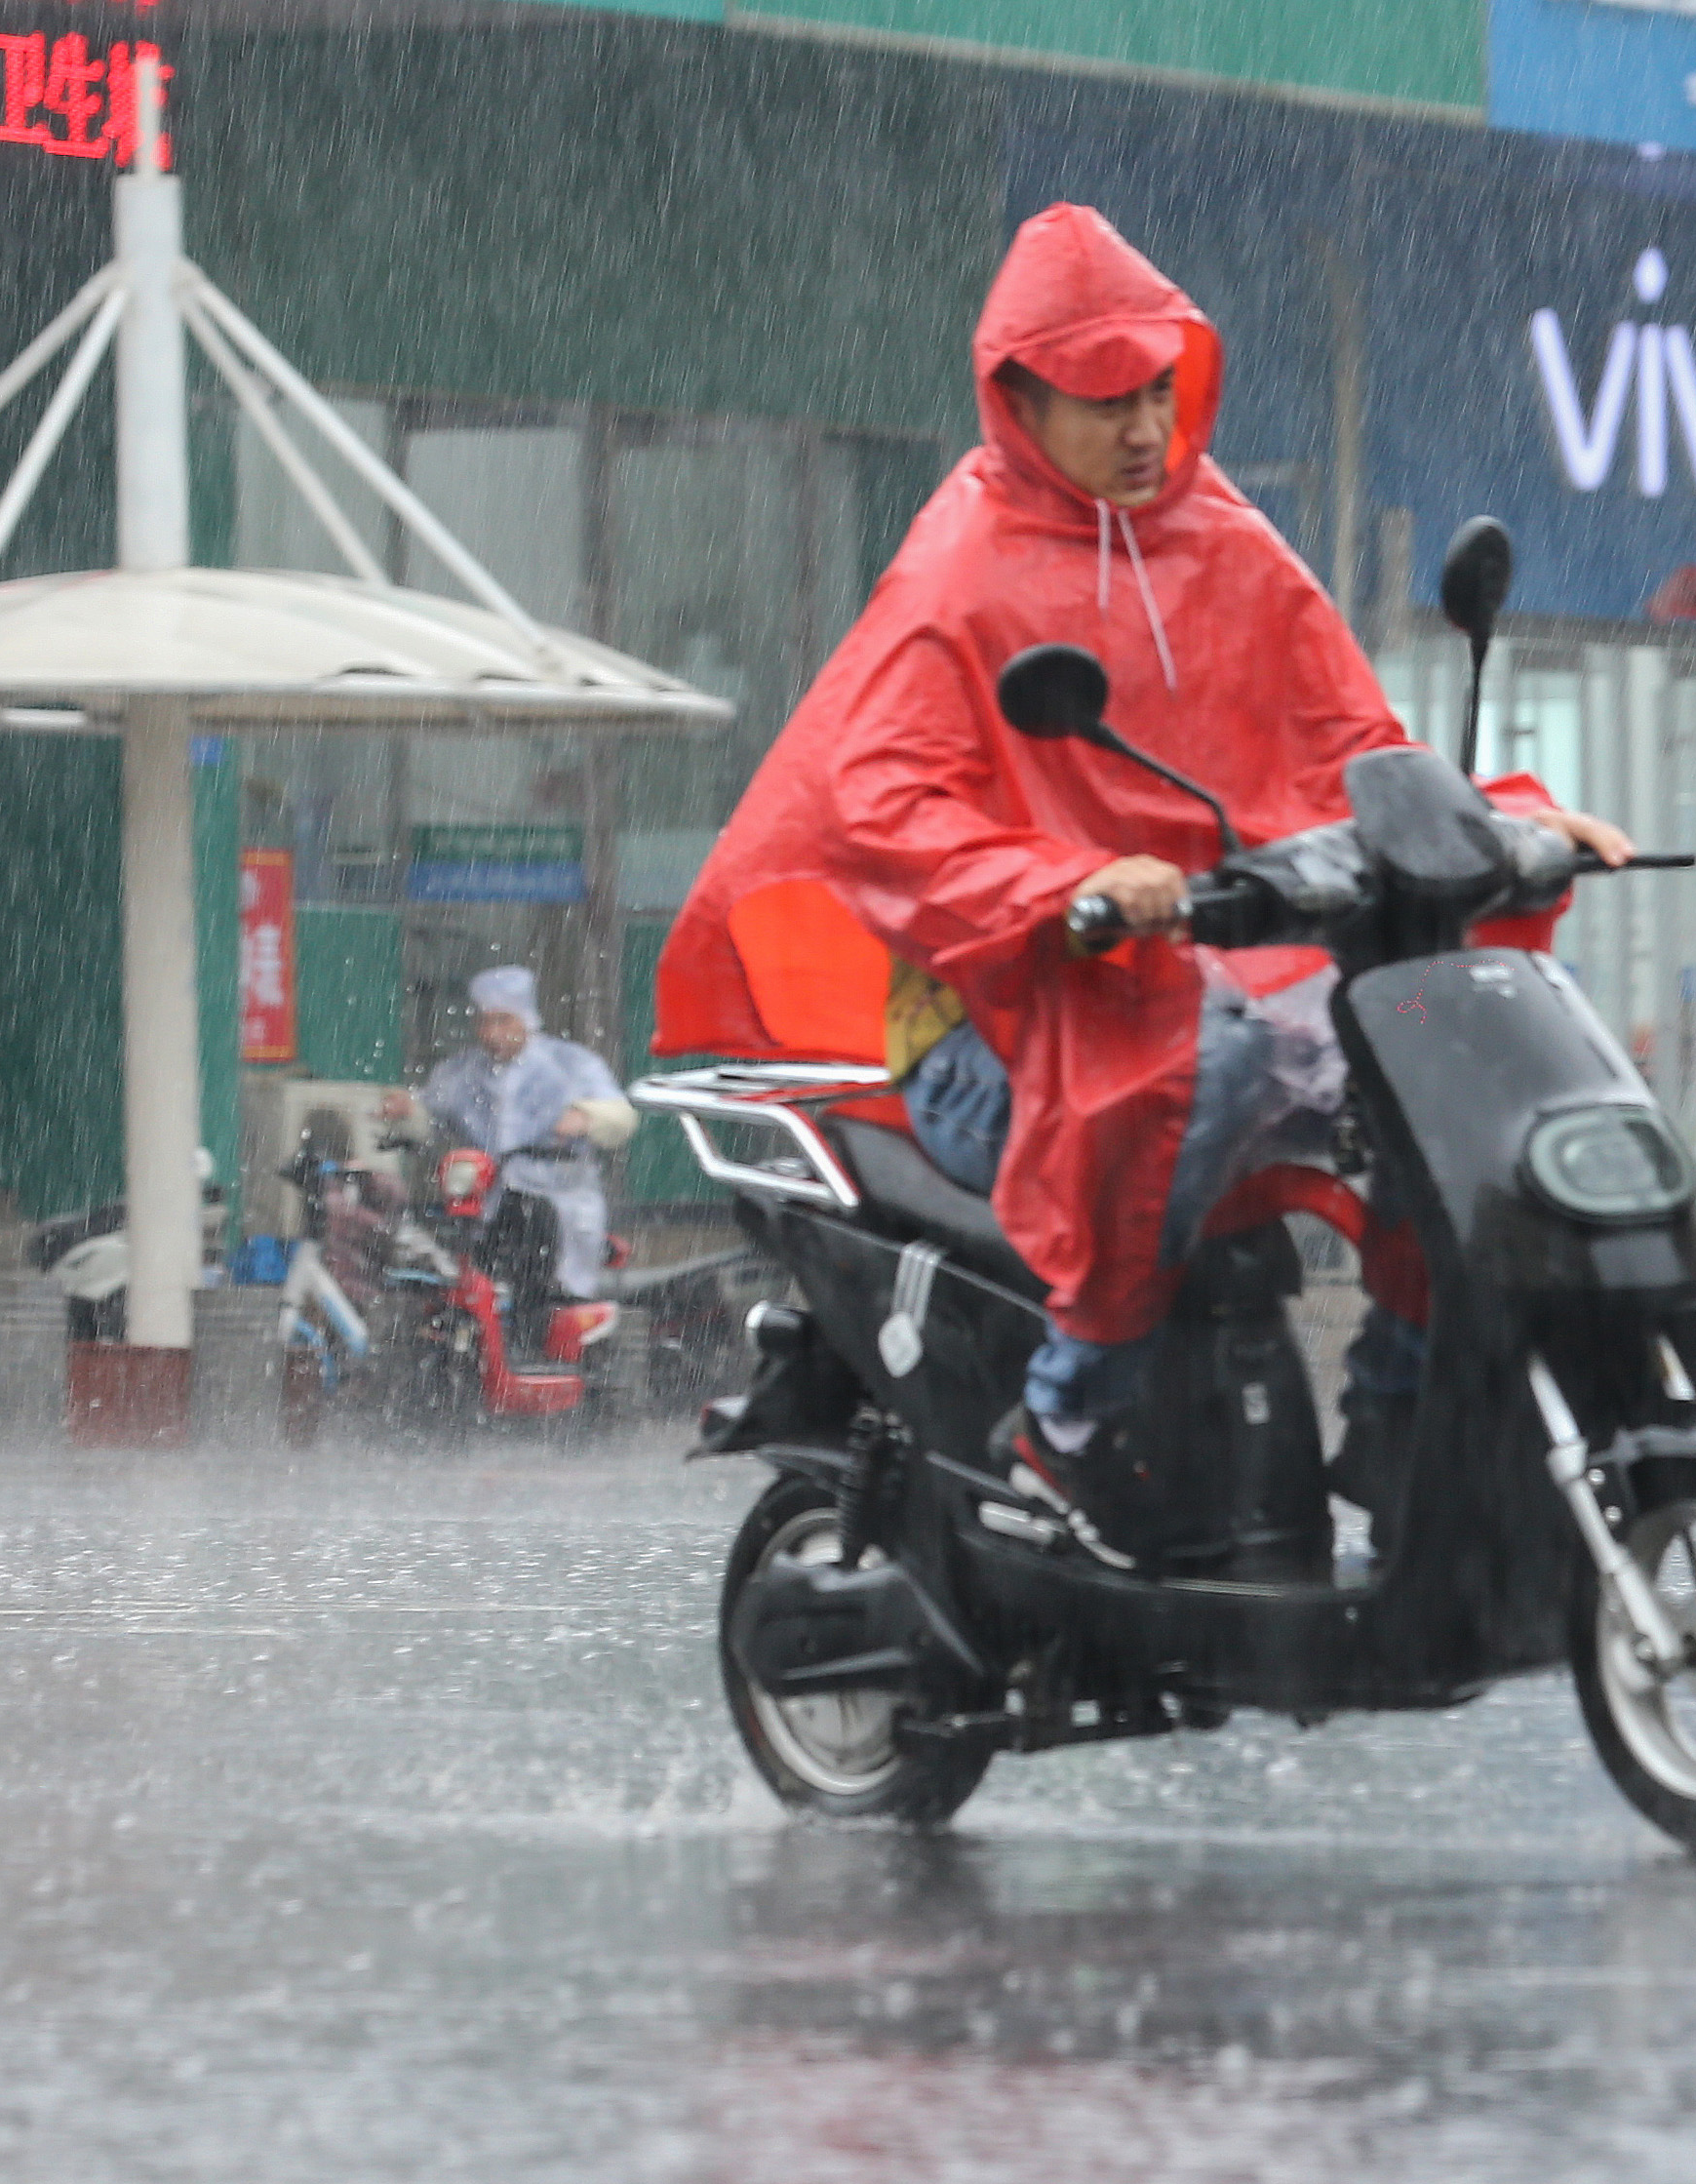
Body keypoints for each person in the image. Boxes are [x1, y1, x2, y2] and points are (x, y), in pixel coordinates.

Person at [653, 202, 1629, 1557]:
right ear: (1019, 400)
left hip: (1214, 978)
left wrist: (1504, 822)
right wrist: (1066, 883)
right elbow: (882, 802)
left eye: (1156, 391)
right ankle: (1067, 1422)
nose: (1139, 430)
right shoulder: (957, 573)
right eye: (1103, 399)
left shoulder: (1222, 540)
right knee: (1196, 1064)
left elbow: (1357, 746)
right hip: (992, 1029)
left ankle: (1402, 1416)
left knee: (1443, 1061)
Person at [380, 966, 638, 1305]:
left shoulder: (570, 1064)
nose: (491, 1033)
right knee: (469, 1282)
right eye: (485, 1022)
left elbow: (622, 1117)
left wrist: (586, 1118)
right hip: (487, 1203)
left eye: (503, 1021)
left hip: (561, 1204)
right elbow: (430, 1114)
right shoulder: (464, 1072)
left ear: (526, 1020)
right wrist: (408, 1112)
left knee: (547, 1291)